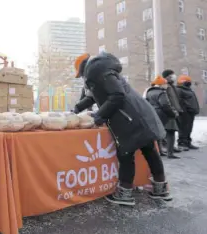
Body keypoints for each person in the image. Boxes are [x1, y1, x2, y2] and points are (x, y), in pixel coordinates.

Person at [73, 52, 172, 206]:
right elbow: (93, 97)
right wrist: (76, 109)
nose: (83, 79)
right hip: (138, 115)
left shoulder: (99, 72)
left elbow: (117, 95)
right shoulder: (104, 73)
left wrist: (99, 116)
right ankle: (160, 189)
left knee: (126, 154)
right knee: (149, 150)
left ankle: (125, 193)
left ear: (85, 69)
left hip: (129, 118)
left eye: (81, 75)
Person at [145, 75, 180, 159]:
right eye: (165, 84)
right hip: (164, 115)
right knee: (170, 133)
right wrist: (173, 113)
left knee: (158, 133)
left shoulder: (149, 92)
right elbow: (165, 105)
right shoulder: (161, 92)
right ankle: (170, 153)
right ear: (161, 84)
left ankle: (159, 151)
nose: (166, 85)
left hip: (154, 114)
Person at [162, 69, 185, 153]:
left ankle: (170, 146)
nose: (174, 77)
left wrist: (178, 109)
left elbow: (174, 99)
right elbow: (167, 100)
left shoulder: (172, 86)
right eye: (171, 75)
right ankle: (166, 147)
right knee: (168, 130)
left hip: (175, 111)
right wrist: (171, 109)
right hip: (168, 111)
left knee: (172, 130)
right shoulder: (165, 86)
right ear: (167, 76)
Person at [176, 75, 200, 150]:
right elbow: (179, 102)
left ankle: (187, 142)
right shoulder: (179, 90)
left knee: (188, 128)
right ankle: (182, 143)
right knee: (183, 128)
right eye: (187, 82)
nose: (189, 83)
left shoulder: (188, 90)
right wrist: (184, 110)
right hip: (184, 113)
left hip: (190, 112)